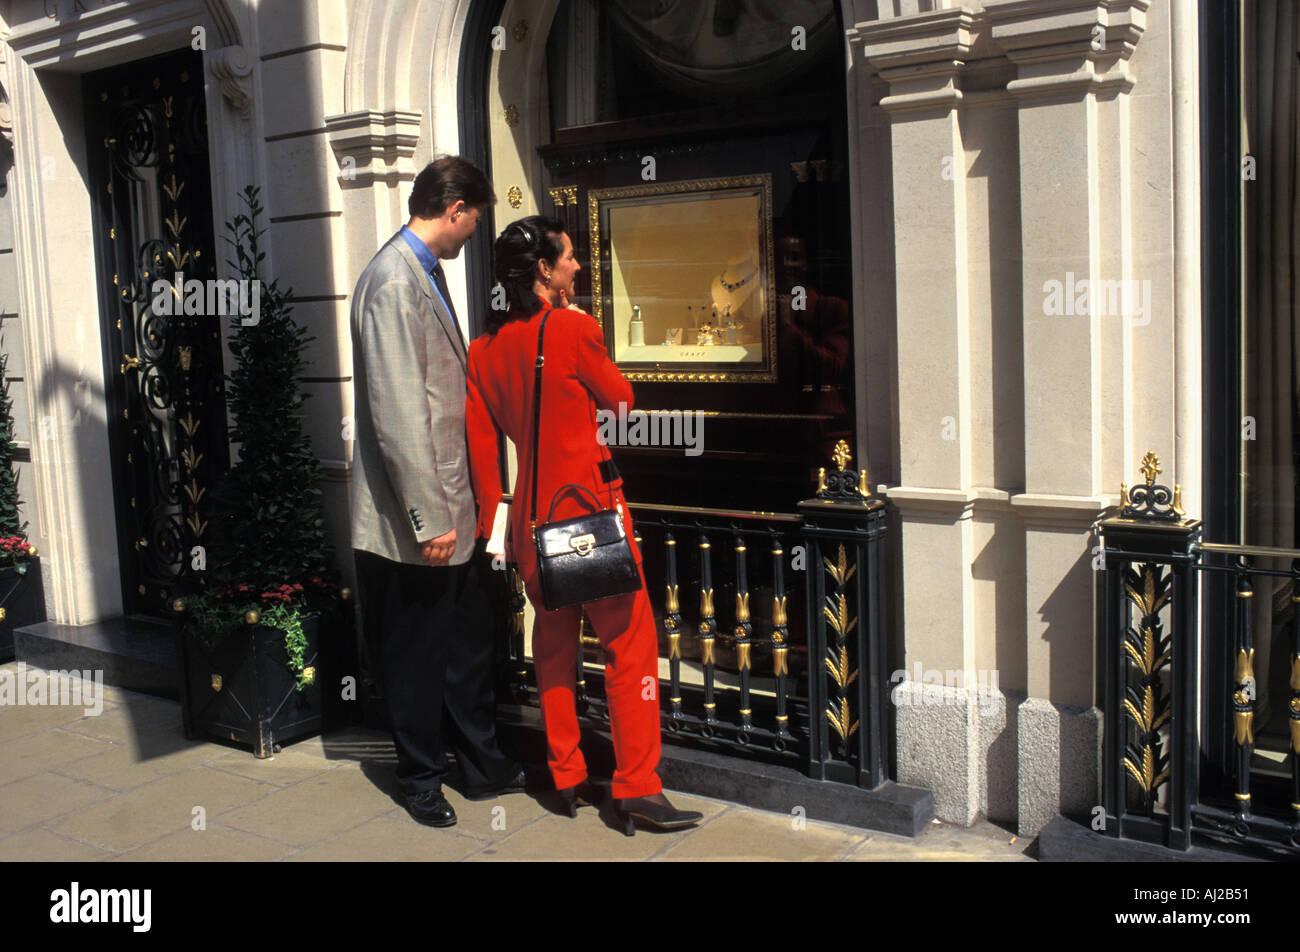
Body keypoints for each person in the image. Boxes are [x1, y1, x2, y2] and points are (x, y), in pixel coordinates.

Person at [464, 215, 702, 835]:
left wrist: (497, 521)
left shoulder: (484, 349)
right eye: (568, 259)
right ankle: (637, 789)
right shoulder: (572, 327)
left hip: (530, 525)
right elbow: (622, 401)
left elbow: (482, 449)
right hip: (587, 516)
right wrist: (582, 331)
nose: (576, 267)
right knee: (630, 648)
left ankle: (565, 775)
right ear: (544, 270)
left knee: (553, 649)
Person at [348, 156, 523, 828]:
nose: (473, 235)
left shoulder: (421, 272)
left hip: (453, 507)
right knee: (418, 657)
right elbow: (398, 417)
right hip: (417, 522)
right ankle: (420, 780)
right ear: (454, 209)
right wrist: (429, 520)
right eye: (475, 221)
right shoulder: (395, 281)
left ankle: (478, 765)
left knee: (462, 645)